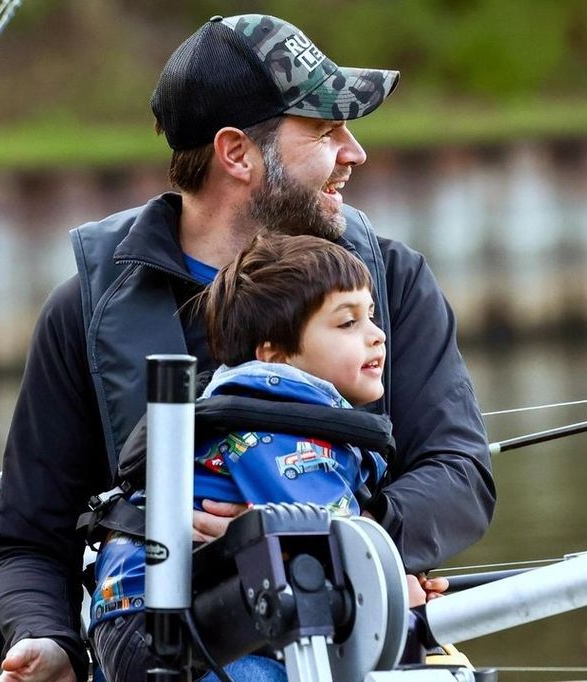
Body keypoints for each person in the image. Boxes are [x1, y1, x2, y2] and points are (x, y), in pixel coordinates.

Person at [0, 13, 495, 682]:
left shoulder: (393, 284)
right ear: (236, 153)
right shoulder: (81, 313)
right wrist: (47, 637)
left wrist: (315, 536)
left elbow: (460, 475)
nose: (355, 153)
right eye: (323, 130)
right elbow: (30, 540)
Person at [91, 233, 441, 680]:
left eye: (370, 316)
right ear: (273, 351)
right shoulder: (285, 433)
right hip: (161, 618)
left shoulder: (274, 411)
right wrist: (398, 593)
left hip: (142, 614)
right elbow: (334, 544)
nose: (377, 336)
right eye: (347, 323)